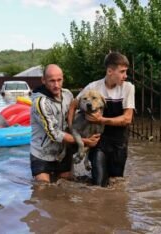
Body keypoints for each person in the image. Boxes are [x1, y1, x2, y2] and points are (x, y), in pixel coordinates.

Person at [68, 52, 135, 187]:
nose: (125, 76)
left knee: (116, 184)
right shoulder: (93, 87)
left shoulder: (128, 88)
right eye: (122, 72)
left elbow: (127, 119)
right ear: (110, 71)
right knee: (99, 184)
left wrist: (101, 120)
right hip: (99, 142)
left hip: (119, 143)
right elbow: (73, 105)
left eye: (126, 72)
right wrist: (71, 129)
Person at [30, 64, 100, 183]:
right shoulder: (40, 103)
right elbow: (55, 134)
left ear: (63, 79)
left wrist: (97, 117)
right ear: (43, 80)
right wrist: (85, 141)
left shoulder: (67, 94)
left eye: (59, 80)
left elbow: (76, 115)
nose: (56, 85)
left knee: (66, 187)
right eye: (52, 81)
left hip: (63, 151)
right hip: (42, 154)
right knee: (42, 189)